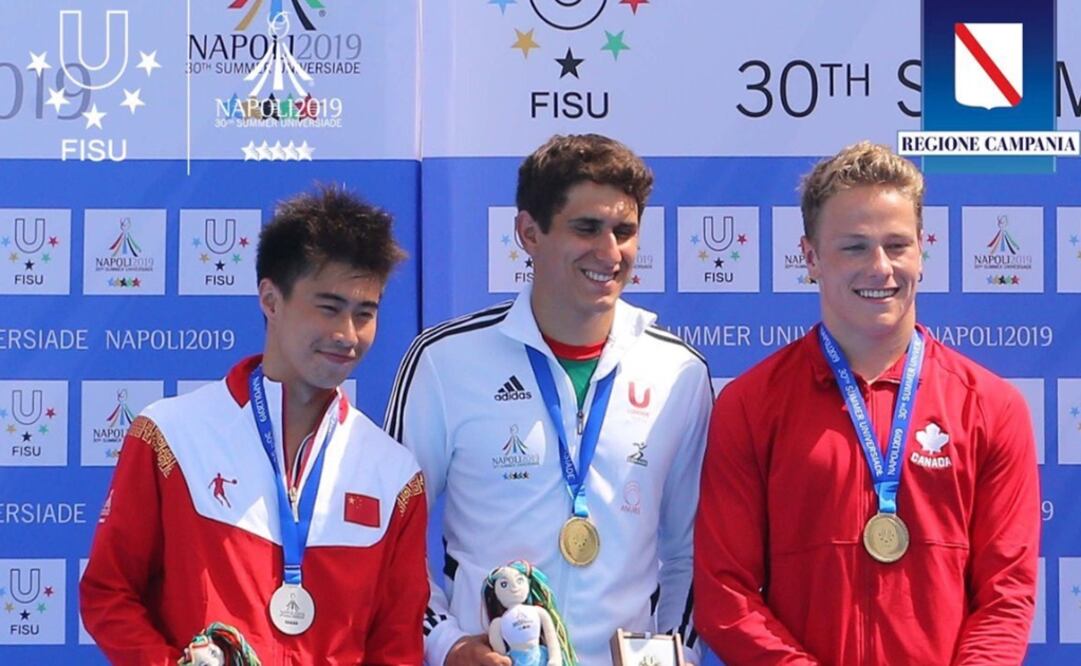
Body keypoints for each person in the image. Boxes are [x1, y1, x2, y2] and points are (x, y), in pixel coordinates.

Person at [694, 142, 1041, 664]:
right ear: (810, 257)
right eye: (854, 247)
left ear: (922, 251)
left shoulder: (993, 405)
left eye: (897, 244)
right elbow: (725, 593)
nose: (880, 267)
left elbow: (1005, 597)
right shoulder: (750, 403)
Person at [385, 133, 712, 665]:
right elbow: (391, 528)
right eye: (586, 228)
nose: (609, 253)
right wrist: (445, 643)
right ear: (528, 232)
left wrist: (675, 655)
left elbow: (691, 553)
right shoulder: (445, 361)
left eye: (624, 231)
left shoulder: (679, 373)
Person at [81, 185, 428, 665]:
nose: (347, 335)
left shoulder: (393, 474)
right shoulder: (170, 435)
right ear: (270, 298)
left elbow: (396, 647)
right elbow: (108, 592)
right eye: (329, 308)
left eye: (364, 313)